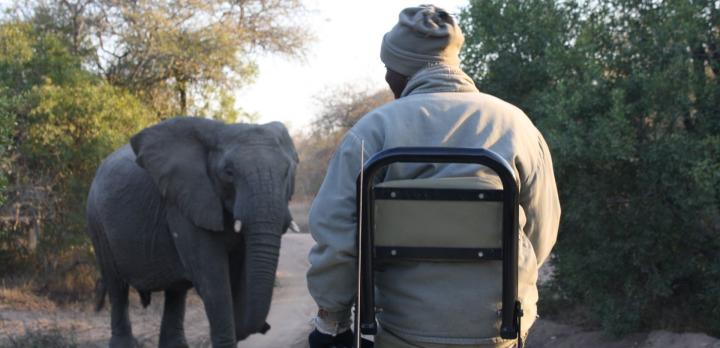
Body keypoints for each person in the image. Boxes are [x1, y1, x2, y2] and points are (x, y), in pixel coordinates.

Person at [306, 5, 561, 348]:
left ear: (403, 69)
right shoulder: (517, 125)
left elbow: (337, 234)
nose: (386, 78)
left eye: (388, 68)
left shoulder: (373, 130)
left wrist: (332, 319)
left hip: (400, 326)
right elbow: (542, 228)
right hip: (498, 328)